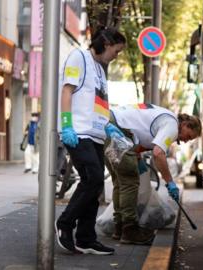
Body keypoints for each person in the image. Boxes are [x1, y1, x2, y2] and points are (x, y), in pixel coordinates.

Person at [55, 27, 126, 255]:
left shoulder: (100, 69)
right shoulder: (79, 57)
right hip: (78, 132)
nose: (117, 56)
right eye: (116, 51)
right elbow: (67, 91)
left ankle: (86, 238)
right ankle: (65, 224)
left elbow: (99, 102)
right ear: (105, 44)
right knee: (93, 178)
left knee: (94, 185)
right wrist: (66, 125)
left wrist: (108, 125)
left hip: (95, 135)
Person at [104, 104, 202, 244]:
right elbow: (158, 153)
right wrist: (170, 182)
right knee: (129, 181)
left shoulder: (166, 117)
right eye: (189, 136)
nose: (186, 141)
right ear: (185, 124)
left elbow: (139, 132)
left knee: (120, 181)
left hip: (108, 124)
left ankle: (119, 227)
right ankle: (129, 230)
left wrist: (136, 156)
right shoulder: (172, 125)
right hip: (116, 129)